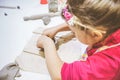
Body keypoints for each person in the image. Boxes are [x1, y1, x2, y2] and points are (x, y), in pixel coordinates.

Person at [37, 0, 120, 80]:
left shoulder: (106, 63)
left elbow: (59, 76)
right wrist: (57, 28)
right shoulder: (112, 21)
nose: (73, 32)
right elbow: (83, 26)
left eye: (74, 32)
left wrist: (47, 44)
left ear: (95, 35)